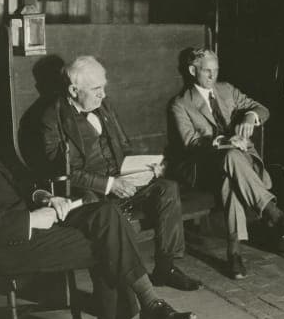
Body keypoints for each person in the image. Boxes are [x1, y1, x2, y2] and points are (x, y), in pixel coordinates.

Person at [0, 70, 195, 319]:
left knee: (106, 213)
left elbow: (15, 183)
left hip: (26, 222)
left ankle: (147, 305)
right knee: (107, 240)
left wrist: (44, 196)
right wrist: (31, 219)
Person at [32, 55, 201, 292]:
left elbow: (124, 145)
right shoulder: (52, 117)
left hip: (123, 177)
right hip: (91, 192)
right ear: (73, 89)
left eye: (104, 88)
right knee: (110, 213)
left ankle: (166, 266)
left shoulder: (104, 105)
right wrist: (111, 185)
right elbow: (61, 171)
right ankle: (130, 283)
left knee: (167, 188)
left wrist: (145, 167)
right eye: (96, 89)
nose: (102, 94)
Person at [167, 48, 284, 280]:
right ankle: (273, 214)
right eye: (207, 72)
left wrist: (250, 117)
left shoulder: (227, 90)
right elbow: (191, 142)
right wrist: (224, 140)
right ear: (192, 71)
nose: (212, 77)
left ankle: (234, 253)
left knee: (229, 178)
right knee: (230, 157)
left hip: (240, 163)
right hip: (205, 166)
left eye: (216, 71)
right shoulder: (181, 104)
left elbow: (263, 109)